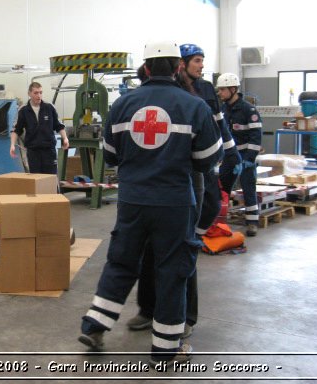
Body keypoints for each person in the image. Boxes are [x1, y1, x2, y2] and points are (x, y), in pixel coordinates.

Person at [78, 40, 223, 364]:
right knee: (172, 271)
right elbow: (207, 159)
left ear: (145, 69)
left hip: (132, 201)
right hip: (174, 203)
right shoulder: (193, 106)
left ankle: (96, 325)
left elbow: (111, 157)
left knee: (122, 262)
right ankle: (165, 350)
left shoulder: (122, 105)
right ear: (177, 68)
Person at [127, 44, 242, 337]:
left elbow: (219, 132)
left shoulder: (203, 93)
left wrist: (231, 157)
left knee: (182, 249)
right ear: (180, 64)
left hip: (190, 178)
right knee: (149, 249)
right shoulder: (151, 90)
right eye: (197, 61)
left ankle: (186, 317)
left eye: (202, 61)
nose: (201, 66)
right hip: (156, 180)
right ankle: (148, 309)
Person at [216, 73, 263, 236]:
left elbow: (256, 137)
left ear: (233, 89)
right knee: (222, 188)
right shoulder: (222, 109)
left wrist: (249, 160)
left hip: (244, 157)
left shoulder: (248, 110)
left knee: (248, 188)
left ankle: (252, 222)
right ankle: (219, 221)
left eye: (222, 90)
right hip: (229, 157)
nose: (220, 93)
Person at [10, 81, 69, 174]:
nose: (39, 95)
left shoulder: (49, 107)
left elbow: (59, 125)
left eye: (41, 92)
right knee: (36, 181)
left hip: (49, 150)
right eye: (36, 93)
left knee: (51, 179)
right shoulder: (23, 110)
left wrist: (65, 138)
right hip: (33, 152)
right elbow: (16, 130)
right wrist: (12, 145)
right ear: (29, 94)